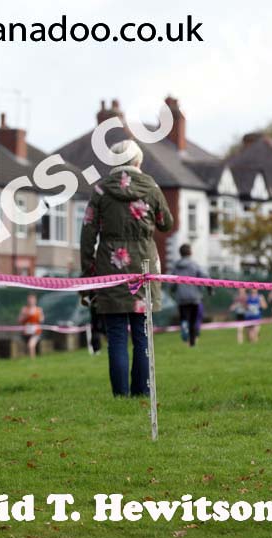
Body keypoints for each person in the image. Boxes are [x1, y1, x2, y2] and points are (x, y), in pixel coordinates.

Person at [80, 139, 173, 397]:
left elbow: (87, 232)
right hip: (144, 264)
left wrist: (87, 273)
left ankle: (120, 396)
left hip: (111, 266)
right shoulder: (151, 187)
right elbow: (166, 223)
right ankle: (142, 392)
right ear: (138, 161)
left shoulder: (100, 190)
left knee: (117, 336)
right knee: (142, 336)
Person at [170, 243, 209, 347]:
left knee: (184, 317)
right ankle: (192, 343)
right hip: (194, 297)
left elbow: (171, 281)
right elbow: (204, 276)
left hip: (181, 297)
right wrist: (209, 288)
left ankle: (183, 325)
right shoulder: (195, 265)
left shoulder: (176, 266)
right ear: (190, 252)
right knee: (193, 320)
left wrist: (173, 290)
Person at [18, 293, 44, 359]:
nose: (31, 301)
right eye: (29, 299)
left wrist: (38, 316)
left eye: (32, 299)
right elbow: (19, 320)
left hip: (36, 332)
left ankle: (32, 361)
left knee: (31, 345)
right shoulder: (24, 309)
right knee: (26, 347)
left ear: (35, 300)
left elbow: (42, 320)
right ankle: (28, 360)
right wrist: (27, 315)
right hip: (26, 332)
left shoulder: (39, 309)